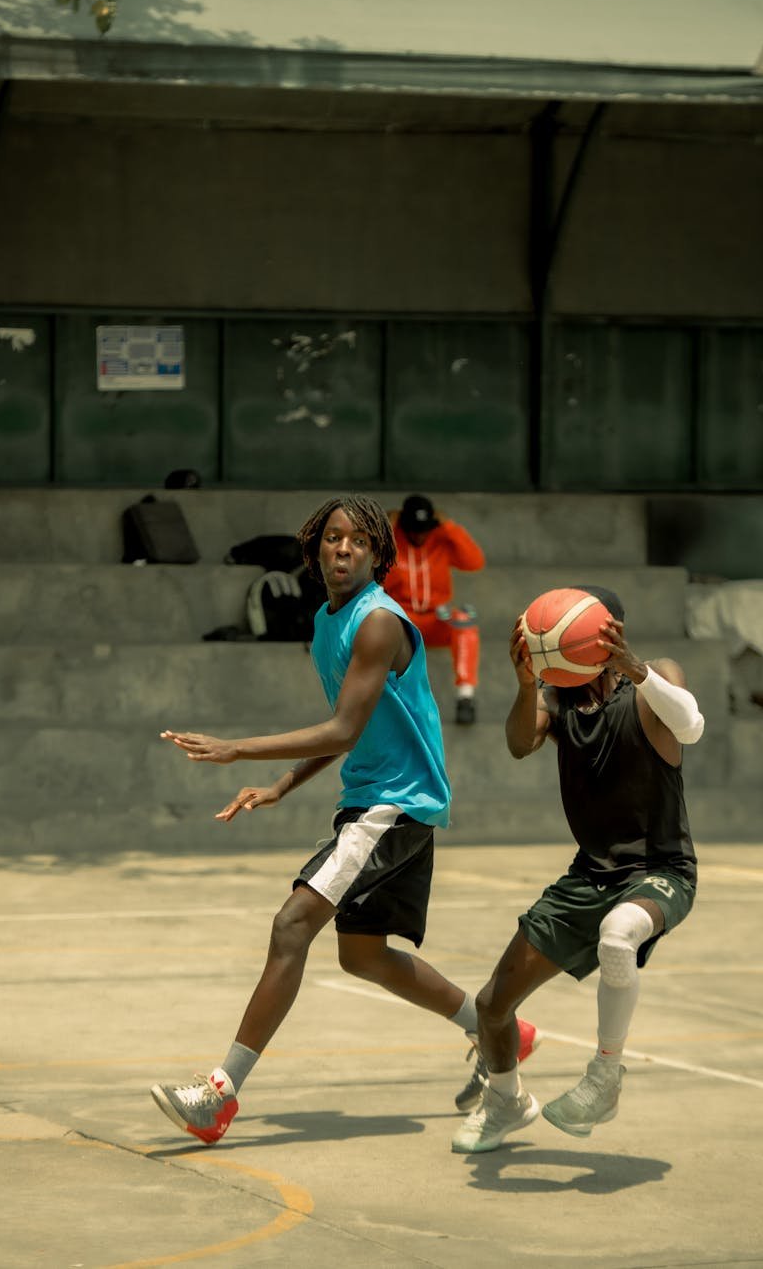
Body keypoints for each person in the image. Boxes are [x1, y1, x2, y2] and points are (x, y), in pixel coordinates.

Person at [149, 493, 537, 1146]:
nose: (344, 548)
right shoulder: (329, 622)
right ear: (315, 546)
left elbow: (342, 727)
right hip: (381, 798)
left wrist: (238, 748)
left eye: (359, 540)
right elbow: (350, 726)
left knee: (291, 924)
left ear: (378, 554)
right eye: (333, 537)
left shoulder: (378, 622)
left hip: (394, 803)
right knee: (363, 956)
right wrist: (282, 784)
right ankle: (497, 1030)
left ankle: (219, 1094)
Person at [452, 586, 704, 1154]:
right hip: (589, 875)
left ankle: (605, 1076)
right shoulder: (557, 698)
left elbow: (690, 726)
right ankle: (505, 1102)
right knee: (492, 1006)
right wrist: (525, 685)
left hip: (661, 870)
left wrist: (635, 668)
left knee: (618, 935)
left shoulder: (654, 679)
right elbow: (519, 744)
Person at [383, 495, 485, 726]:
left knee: (463, 618)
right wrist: (386, 530)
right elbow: (372, 571)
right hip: (402, 618)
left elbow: (475, 561)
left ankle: (465, 697)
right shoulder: (392, 542)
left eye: (424, 529)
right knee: (380, 621)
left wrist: (449, 527)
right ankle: (390, 699)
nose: (420, 535)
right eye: (414, 529)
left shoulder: (441, 538)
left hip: (436, 617)